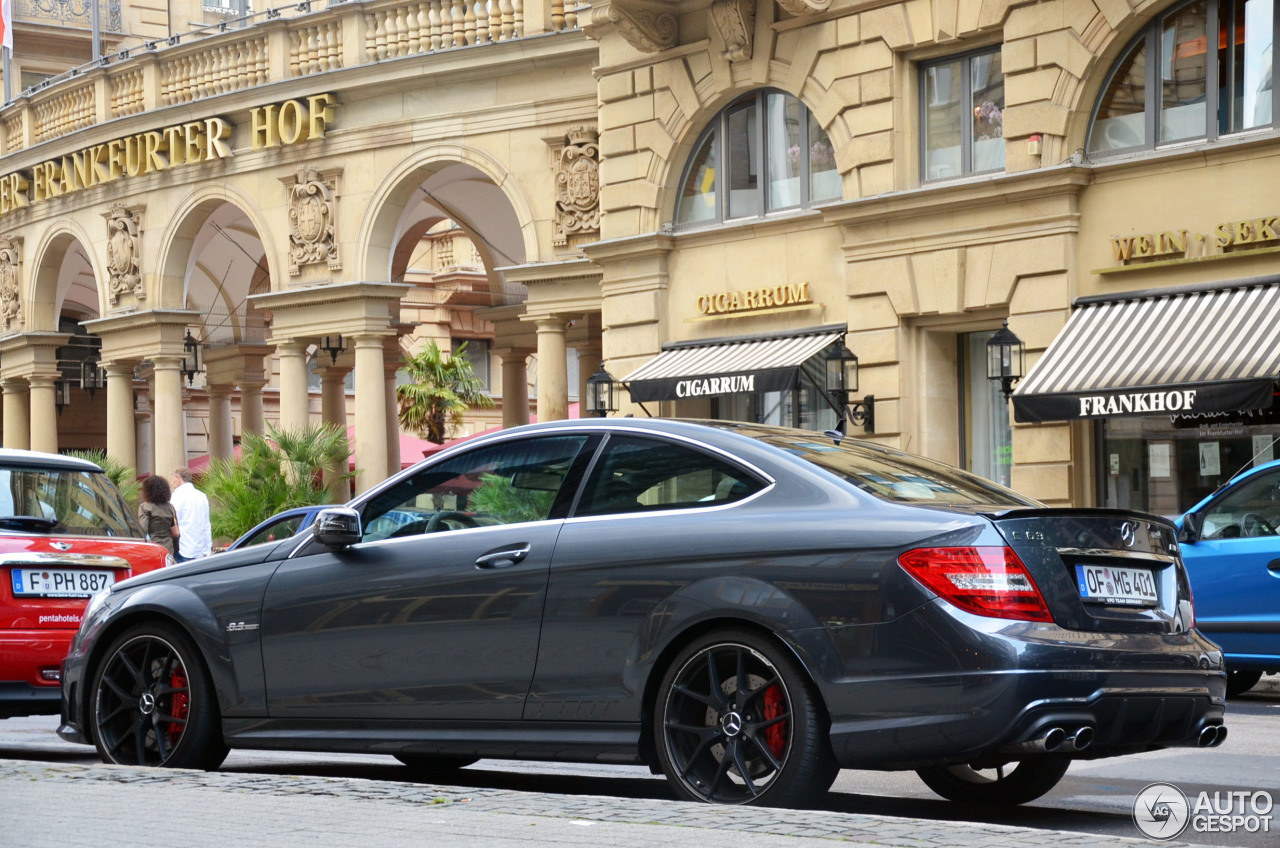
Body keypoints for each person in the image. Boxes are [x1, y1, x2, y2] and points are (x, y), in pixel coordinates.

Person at [170, 466, 212, 562]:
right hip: (200, 550)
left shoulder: (176, 496)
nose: (172, 483)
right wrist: (207, 549)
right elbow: (206, 525)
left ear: (179, 478)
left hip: (182, 548)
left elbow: (174, 521)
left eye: (173, 479)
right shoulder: (202, 496)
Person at [138, 475, 179, 556]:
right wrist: (175, 549)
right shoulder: (170, 507)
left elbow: (143, 530)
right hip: (168, 549)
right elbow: (175, 533)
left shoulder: (145, 507)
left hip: (153, 548)